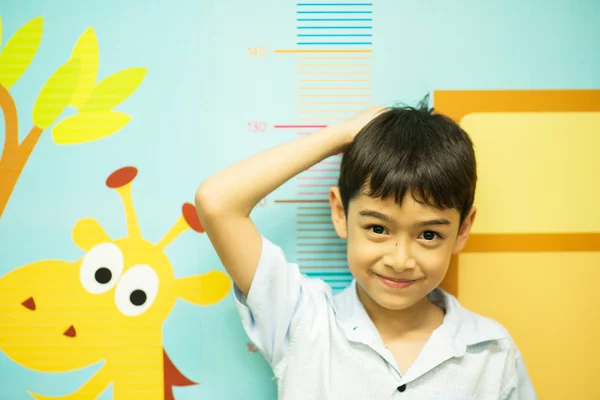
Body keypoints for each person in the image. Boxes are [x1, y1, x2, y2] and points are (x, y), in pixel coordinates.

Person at [194, 96, 537, 399]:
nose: (400, 260)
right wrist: (342, 135)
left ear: (463, 229)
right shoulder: (301, 321)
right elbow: (217, 202)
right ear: (341, 213)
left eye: (428, 235)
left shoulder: (492, 352)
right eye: (378, 228)